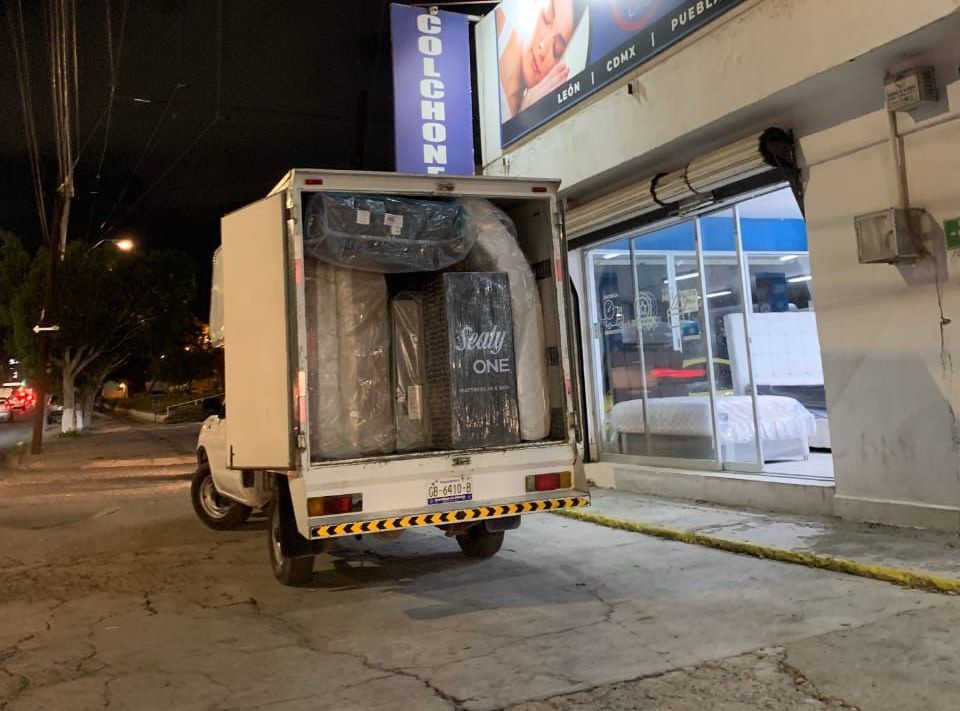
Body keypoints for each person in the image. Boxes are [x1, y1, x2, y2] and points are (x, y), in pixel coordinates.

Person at [497, 0, 588, 121]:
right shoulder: (497, 27)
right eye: (546, 17)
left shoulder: (530, 109)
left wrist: (525, 113)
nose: (543, 48)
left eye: (557, 48)